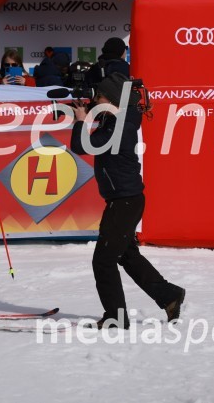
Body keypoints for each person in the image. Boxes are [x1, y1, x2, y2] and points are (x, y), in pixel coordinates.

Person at [70, 73, 185, 329]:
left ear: (111, 100)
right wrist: (87, 113)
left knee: (104, 260)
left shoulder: (118, 125)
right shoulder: (119, 120)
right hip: (125, 201)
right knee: (126, 255)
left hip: (124, 203)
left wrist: (80, 121)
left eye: (99, 97)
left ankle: (115, 316)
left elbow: (81, 146)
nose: (94, 102)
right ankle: (169, 295)